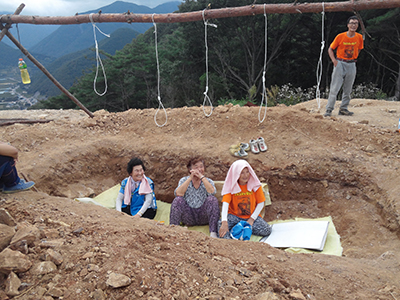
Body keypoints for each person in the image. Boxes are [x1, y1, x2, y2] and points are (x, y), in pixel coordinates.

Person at [218, 159, 271, 240]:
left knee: (266, 230)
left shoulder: (255, 185)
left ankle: (242, 228)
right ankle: (239, 232)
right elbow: (225, 203)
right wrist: (224, 222)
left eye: (247, 172)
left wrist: (252, 219)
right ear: (236, 174)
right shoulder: (231, 186)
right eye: (241, 173)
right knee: (220, 227)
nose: (245, 175)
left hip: (250, 217)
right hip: (234, 216)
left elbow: (261, 203)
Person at [170, 156, 220, 238]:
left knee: (212, 199)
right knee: (177, 200)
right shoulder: (184, 180)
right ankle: (173, 230)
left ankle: (213, 232)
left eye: (201, 167)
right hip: (188, 216)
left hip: (203, 215)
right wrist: (190, 178)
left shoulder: (208, 181)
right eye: (196, 167)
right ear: (190, 169)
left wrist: (202, 178)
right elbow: (178, 193)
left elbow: (212, 192)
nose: (199, 169)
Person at [324, 16, 364, 117]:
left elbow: (359, 48)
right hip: (340, 63)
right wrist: (334, 60)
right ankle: (329, 109)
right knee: (335, 88)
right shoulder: (340, 36)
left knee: (348, 88)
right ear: (347, 25)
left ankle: (343, 108)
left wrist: (354, 57)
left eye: (356, 23)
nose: (353, 25)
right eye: (351, 23)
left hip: (351, 63)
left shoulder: (359, 37)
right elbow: (330, 49)